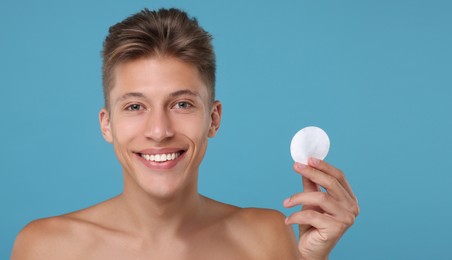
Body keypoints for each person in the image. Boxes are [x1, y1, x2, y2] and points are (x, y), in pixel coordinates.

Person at [11, 8, 359, 260]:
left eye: (181, 105)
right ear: (106, 124)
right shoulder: (45, 248)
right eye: (135, 106)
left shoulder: (265, 237)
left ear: (214, 118)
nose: (159, 131)